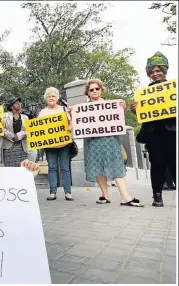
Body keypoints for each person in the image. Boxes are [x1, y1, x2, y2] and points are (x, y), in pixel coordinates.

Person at [74, 78, 143, 207]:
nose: (94, 91)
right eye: (91, 89)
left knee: (116, 165)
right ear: (87, 93)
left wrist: (121, 109)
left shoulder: (111, 105)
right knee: (97, 167)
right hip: (93, 142)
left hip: (109, 140)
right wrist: (71, 114)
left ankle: (125, 196)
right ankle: (105, 196)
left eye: (97, 89)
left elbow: (117, 120)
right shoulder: (82, 109)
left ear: (101, 90)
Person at [130, 52, 176, 207]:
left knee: (175, 163)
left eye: (158, 71)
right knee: (157, 163)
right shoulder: (143, 93)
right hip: (153, 134)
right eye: (152, 72)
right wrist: (134, 109)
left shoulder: (174, 89)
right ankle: (157, 196)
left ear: (165, 71)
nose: (155, 74)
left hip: (173, 132)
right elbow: (141, 115)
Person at [39, 87, 73, 201]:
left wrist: (69, 128)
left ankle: (68, 192)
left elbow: (71, 124)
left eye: (53, 96)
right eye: (49, 96)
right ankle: (52, 192)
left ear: (57, 98)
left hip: (64, 144)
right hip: (50, 146)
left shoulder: (63, 109)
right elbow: (39, 128)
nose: (51, 98)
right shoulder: (43, 112)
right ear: (46, 99)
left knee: (65, 168)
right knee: (52, 168)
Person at [1, 97, 29, 167]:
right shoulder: (5, 116)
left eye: (19, 103)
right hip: (9, 146)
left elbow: (28, 130)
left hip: (22, 146)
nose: (19, 104)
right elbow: (1, 128)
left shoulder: (25, 117)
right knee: (10, 168)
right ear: (11, 106)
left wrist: (20, 135)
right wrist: (11, 136)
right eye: (16, 103)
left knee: (22, 168)